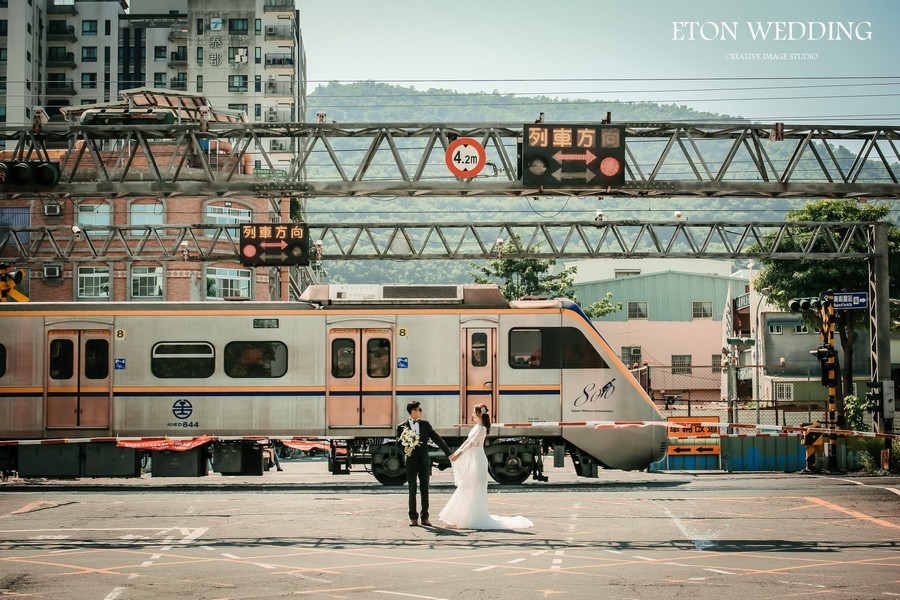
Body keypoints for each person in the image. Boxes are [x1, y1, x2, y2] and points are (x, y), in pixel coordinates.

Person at [439, 404, 533, 530]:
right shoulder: (477, 427)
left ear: (479, 414)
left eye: (473, 412)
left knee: (475, 488)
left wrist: (458, 454)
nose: (472, 414)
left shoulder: (482, 429)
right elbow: (467, 442)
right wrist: (456, 453)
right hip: (474, 459)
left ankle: (471, 518)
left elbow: (472, 443)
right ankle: (462, 517)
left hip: (478, 460)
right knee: (467, 487)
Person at [398, 401, 452, 527]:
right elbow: (398, 442)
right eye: (419, 409)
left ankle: (425, 517)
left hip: (424, 461)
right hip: (411, 461)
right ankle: (413, 518)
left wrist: (449, 453)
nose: (421, 411)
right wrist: (404, 448)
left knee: (424, 489)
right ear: (413, 411)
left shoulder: (425, 424)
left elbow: (437, 438)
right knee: (412, 489)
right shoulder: (402, 426)